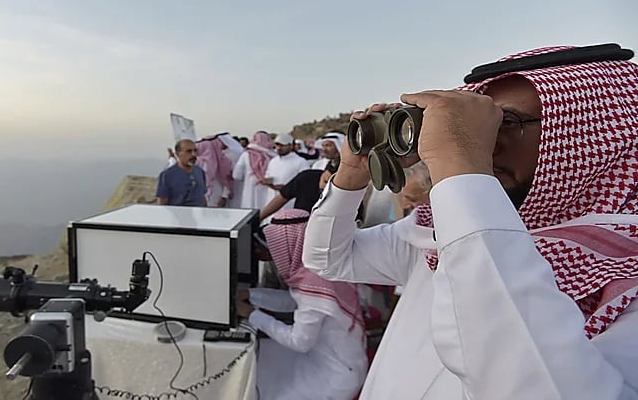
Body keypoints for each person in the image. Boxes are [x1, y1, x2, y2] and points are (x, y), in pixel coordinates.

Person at [302, 45, 638, 399]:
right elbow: (329, 257)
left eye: (504, 124)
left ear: (589, 137)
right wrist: (350, 176)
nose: (481, 144)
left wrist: (460, 167)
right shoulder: (434, 233)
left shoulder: (625, 278)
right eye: (475, 128)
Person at [237, 209, 368, 400]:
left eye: (272, 249)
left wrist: (251, 314)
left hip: (334, 375)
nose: (270, 255)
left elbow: (298, 341)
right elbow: (295, 302)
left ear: (291, 246)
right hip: (332, 356)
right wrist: (251, 295)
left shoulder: (315, 284)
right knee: (259, 356)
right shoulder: (319, 270)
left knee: (259, 380)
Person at [260, 162, 337, 220]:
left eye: (332, 185)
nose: (326, 187)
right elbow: (282, 197)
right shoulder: (306, 177)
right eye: (325, 181)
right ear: (323, 172)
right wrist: (259, 218)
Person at [264, 133, 311, 209]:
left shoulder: (300, 161)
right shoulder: (273, 161)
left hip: (290, 203)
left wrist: (286, 188)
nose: (278, 148)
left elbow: (306, 183)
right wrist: (268, 183)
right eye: (277, 145)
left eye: (282, 145)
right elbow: (268, 176)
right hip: (271, 201)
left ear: (291, 146)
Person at [232, 131, 277, 209]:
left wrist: (246, 177)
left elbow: (236, 175)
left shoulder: (246, 154)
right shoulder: (273, 156)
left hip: (250, 189)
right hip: (268, 188)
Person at [156, 139, 207, 206]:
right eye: (189, 151)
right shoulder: (167, 175)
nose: (193, 154)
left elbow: (202, 197)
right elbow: (162, 202)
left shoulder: (199, 172)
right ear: (178, 154)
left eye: (195, 150)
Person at [196, 137, 233, 207]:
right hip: (215, 194)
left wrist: (224, 197)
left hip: (214, 194)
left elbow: (227, 179)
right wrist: (224, 196)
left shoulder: (223, 161)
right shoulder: (224, 161)